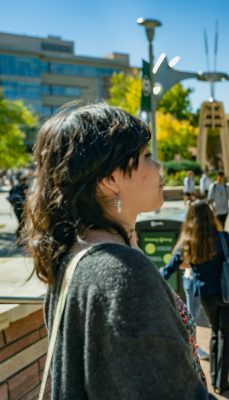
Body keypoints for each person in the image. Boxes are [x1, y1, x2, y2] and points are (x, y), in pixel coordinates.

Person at [22, 103, 209, 399]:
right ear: (109, 179)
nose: (158, 165)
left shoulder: (75, 256)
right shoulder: (122, 274)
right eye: (146, 156)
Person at [160, 201, 229, 395]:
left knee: (216, 332)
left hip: (206, 295)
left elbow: (168, 269)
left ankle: (214, 377)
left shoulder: (187, 242)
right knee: (226, 335)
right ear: (211, 215)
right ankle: (221, 383)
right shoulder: (223, 237)